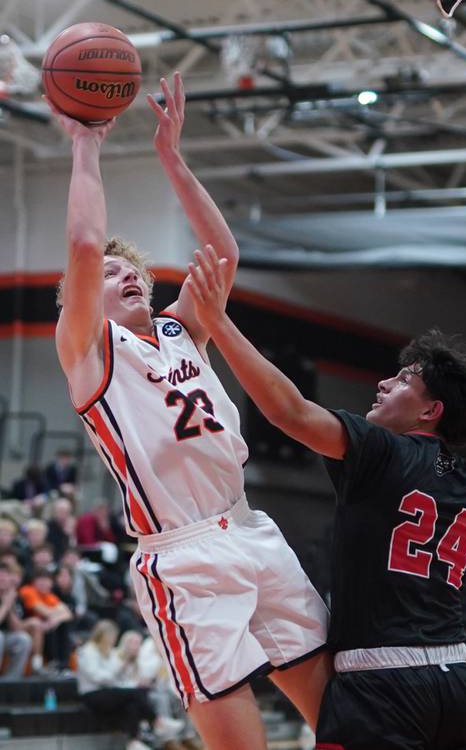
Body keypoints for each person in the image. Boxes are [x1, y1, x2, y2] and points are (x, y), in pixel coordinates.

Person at [183, 243, 466, 750]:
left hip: (381, 686)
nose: (384, 383)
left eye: (405, 379)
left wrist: (219, 322)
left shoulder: (379, 449)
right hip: (456, 683)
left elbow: (290, 413)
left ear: (431, 411)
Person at [48, 71, 330, 750]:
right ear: (82, 299)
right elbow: (87, 249)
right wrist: (85, 144)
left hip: (253, 531)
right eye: (114, 277)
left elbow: (223, 255)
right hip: (184, 558)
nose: (129, 276)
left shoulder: (181, 330)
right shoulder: (88, 350)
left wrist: (172, 157)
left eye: (135, 270)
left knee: (347, 721)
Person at [77, 620, 178, 750]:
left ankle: (133, 742)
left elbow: (115, 679)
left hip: (109, 691)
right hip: (92, 694)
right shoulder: (87, 651)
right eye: (112, 637)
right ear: (103, 635)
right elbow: (98, 677)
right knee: (136, 693)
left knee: (132, 704)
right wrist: (121, 666)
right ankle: (156, 721)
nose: (113, 640)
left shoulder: (109, 652)